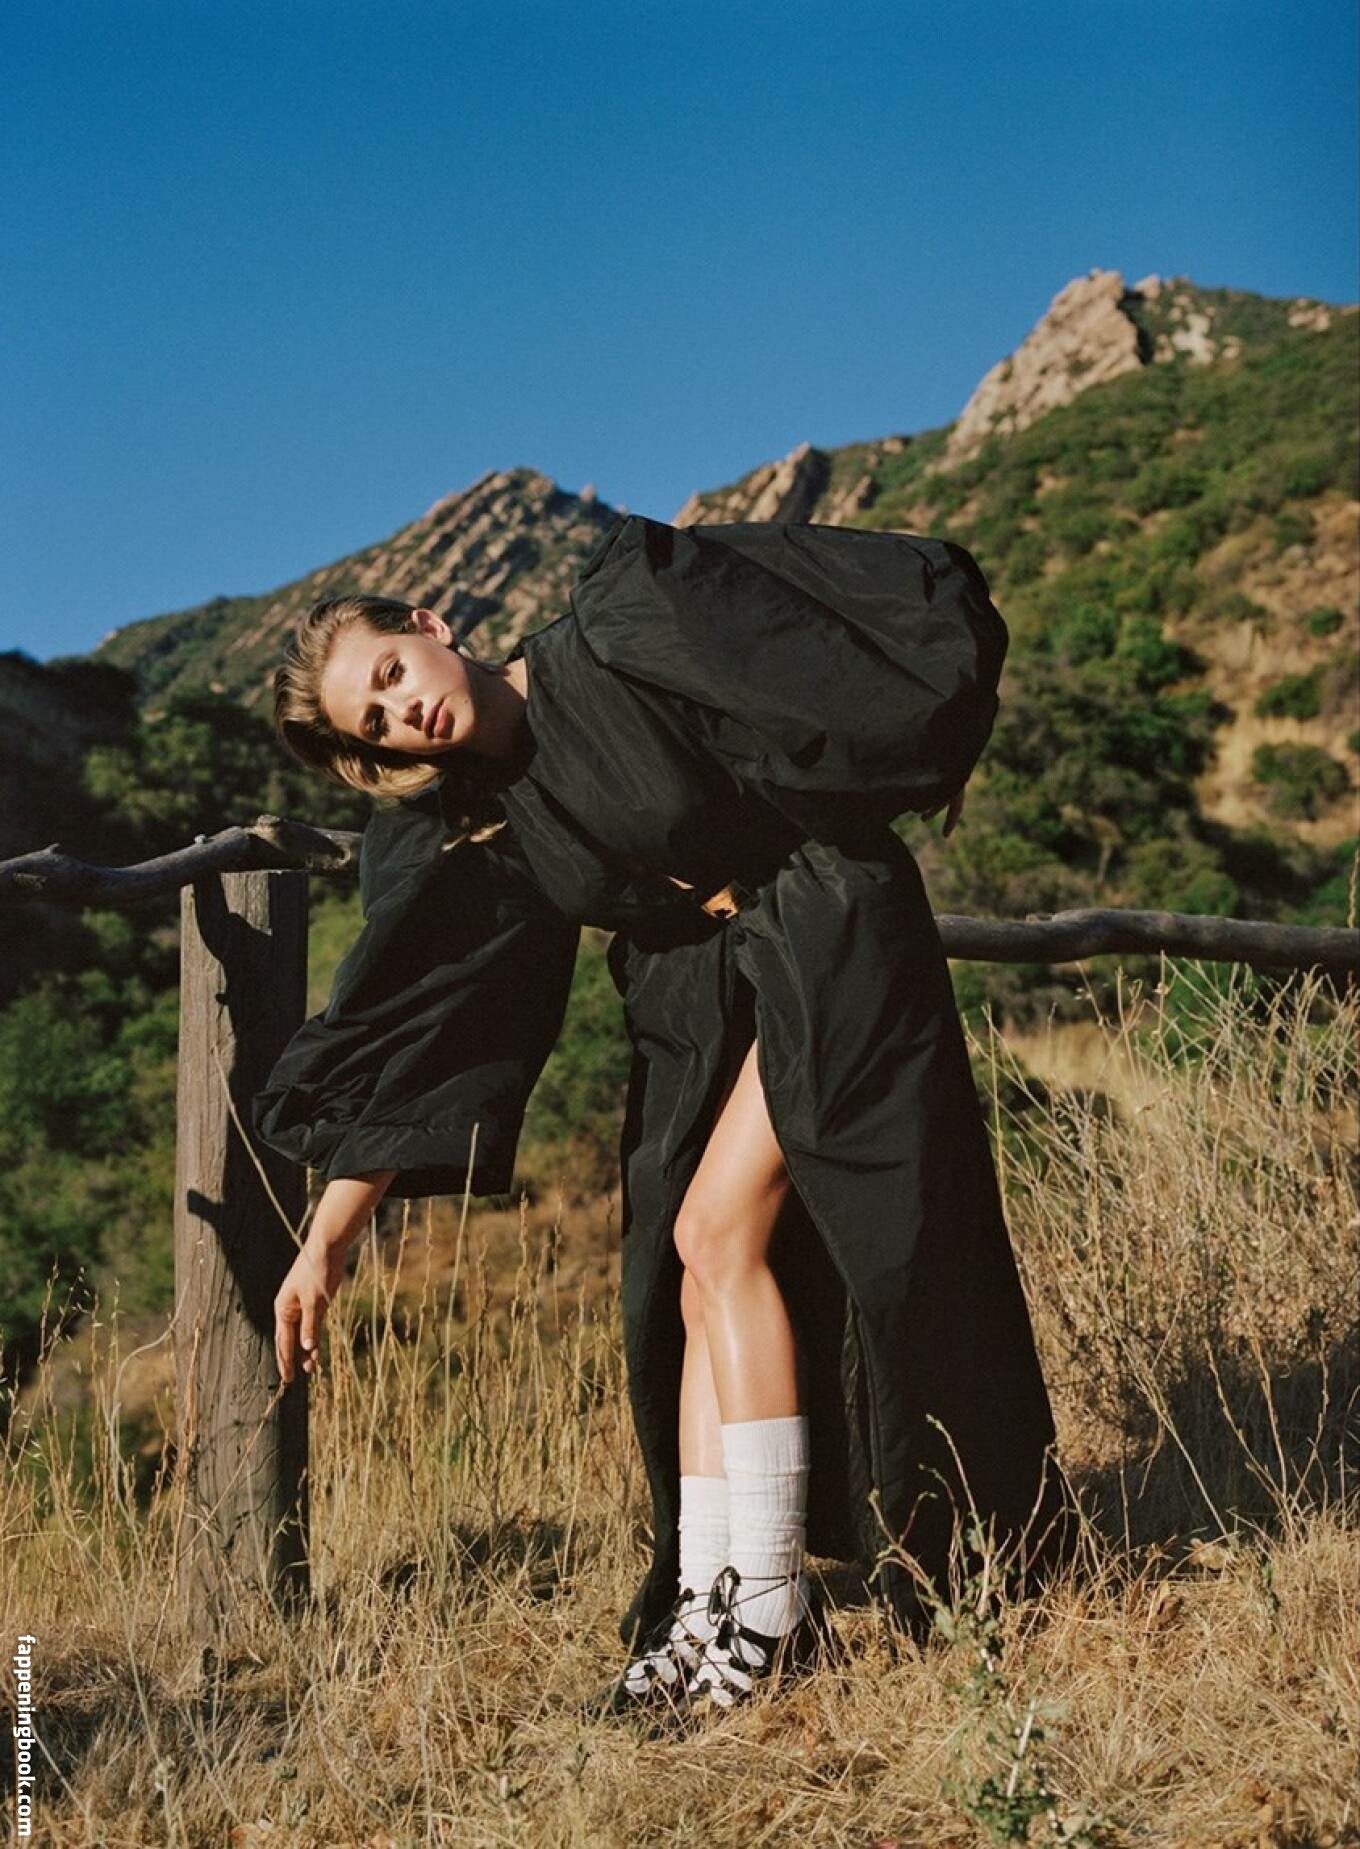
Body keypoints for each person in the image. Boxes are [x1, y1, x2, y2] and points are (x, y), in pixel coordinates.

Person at [253, 512, 1073, 1720]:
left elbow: (817, 635)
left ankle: (772, 1611)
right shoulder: (490, 817)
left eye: (388, 674)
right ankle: (705, 1603)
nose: (401, 710)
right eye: (372, 722)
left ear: (430, 625)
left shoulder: (619, 625)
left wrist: (917, 758)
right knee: (674, 1280)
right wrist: (329, 1235)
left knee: (716, 1234)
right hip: (698, 992)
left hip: (824, 930)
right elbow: (436, 1019)